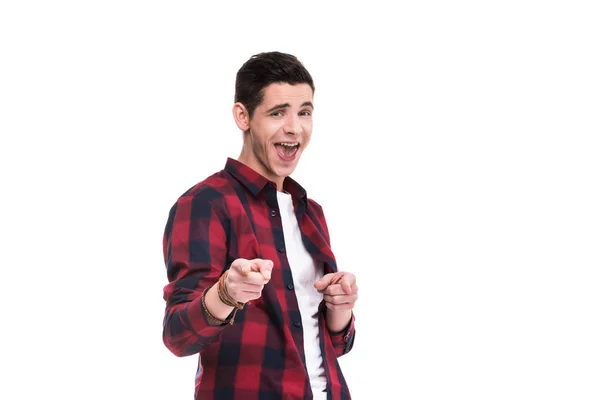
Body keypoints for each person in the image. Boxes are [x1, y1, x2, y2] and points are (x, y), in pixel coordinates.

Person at [161, 51, 358, 400]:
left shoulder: (311, 212)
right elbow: (178, 337)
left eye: (305, 112)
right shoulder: (205, 204)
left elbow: (331, 346)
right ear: (243, 116)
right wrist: (225, 294)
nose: (294, 128)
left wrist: (340, 309)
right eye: (277, 112)